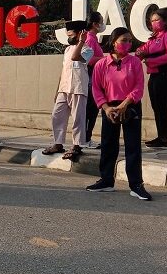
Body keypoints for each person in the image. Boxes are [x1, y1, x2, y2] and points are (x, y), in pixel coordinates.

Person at [87, 26, 152, 201]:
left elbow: (138, 87)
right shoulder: (101, 64)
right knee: (108, 144)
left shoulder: (135, 62)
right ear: (114, 42)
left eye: (130, 40)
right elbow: (96, 88)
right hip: (110, 108)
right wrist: (106, 108)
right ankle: (106, 180)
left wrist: (125, 104)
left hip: (130, 106)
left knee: (132, 146)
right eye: (124, 40)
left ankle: (136, 184)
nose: (128, 44)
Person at [42, 20, 93, 161]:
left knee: (78, 118)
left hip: (78, 88)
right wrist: (57, 90)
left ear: (80, 34)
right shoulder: (67, 49)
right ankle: (58, 144)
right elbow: (64, 70)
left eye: (71, 34)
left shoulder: (87, 49)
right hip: (64, 88)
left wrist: (81, 41)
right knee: (56, 115)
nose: (69, 37)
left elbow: (76, 57)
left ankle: (77, 146)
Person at [135, 9, 167, 149]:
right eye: (152, 20)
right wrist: (139, 53)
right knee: (156, 105)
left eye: (157, 20)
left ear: (165, 21)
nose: (154, 23)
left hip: (166, 72)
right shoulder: (154, 38)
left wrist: (152, 61)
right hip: (155, 73)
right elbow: (142, 50)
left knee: (162, 105)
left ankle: (164, 139)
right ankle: (161, 136)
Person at [84, 11, 106, 149]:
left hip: (94, 77)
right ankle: (85, 139)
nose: (102, 24)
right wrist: (106, 59)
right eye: (101, 22)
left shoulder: (93, 38)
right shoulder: (90, 39)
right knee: (90, 110)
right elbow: (89, 59)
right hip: (91, 77)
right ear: (95, 24)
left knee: (92, 110)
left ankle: (86, 138)